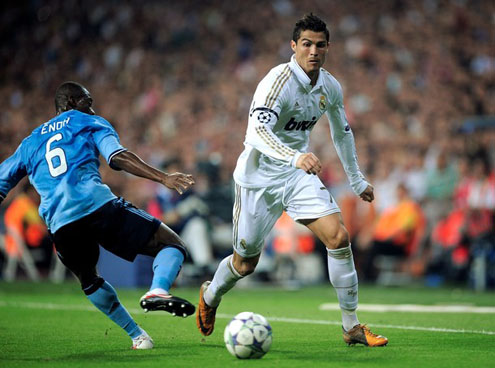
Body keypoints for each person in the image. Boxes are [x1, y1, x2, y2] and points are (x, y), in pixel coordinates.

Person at [196, 14, 388, 347]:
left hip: (296, 177)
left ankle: (351, 326)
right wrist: (295, 156)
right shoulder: (276, 82)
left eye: (320, 45)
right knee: (245, 263)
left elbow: (342, 133)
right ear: (294, 46)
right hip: (257, 180)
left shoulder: (329, 85)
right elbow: (256, 133)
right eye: (307, 44)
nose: (313, 51)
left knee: (338, 237)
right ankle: (211, 295)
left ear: (328, 48)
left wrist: (356, 181)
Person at [0, 81, 196, 350]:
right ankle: (158, 289)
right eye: (86, 101)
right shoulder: (89, 122)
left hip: (61, 224)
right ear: (69, 103)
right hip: (97, 206)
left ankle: (138, 337)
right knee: (172, 244)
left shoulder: (29, 142)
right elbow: (117, 157)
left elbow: (2, 182)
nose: (91, 107)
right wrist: (162, 177)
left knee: (89, 280)